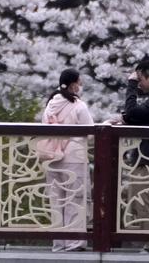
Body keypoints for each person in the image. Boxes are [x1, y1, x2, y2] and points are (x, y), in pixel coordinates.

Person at [41, 68, 93, 253]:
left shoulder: (50, 105)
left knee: (56, 199)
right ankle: (74, 242)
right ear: (73, 85)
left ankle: (59, 243)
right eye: (79, 82)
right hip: (74, 156)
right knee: (75, 198)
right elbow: (90, 132)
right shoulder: (79, 106)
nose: (81, 86)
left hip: (53, 157)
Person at [120, 59, 149, 252]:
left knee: (139, 199)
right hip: (147, 156)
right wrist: (125, 118)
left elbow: (133, 112)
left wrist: (130, 86)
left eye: (140, 79)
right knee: (137, 198)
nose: (138, 84)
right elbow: (135, 116)